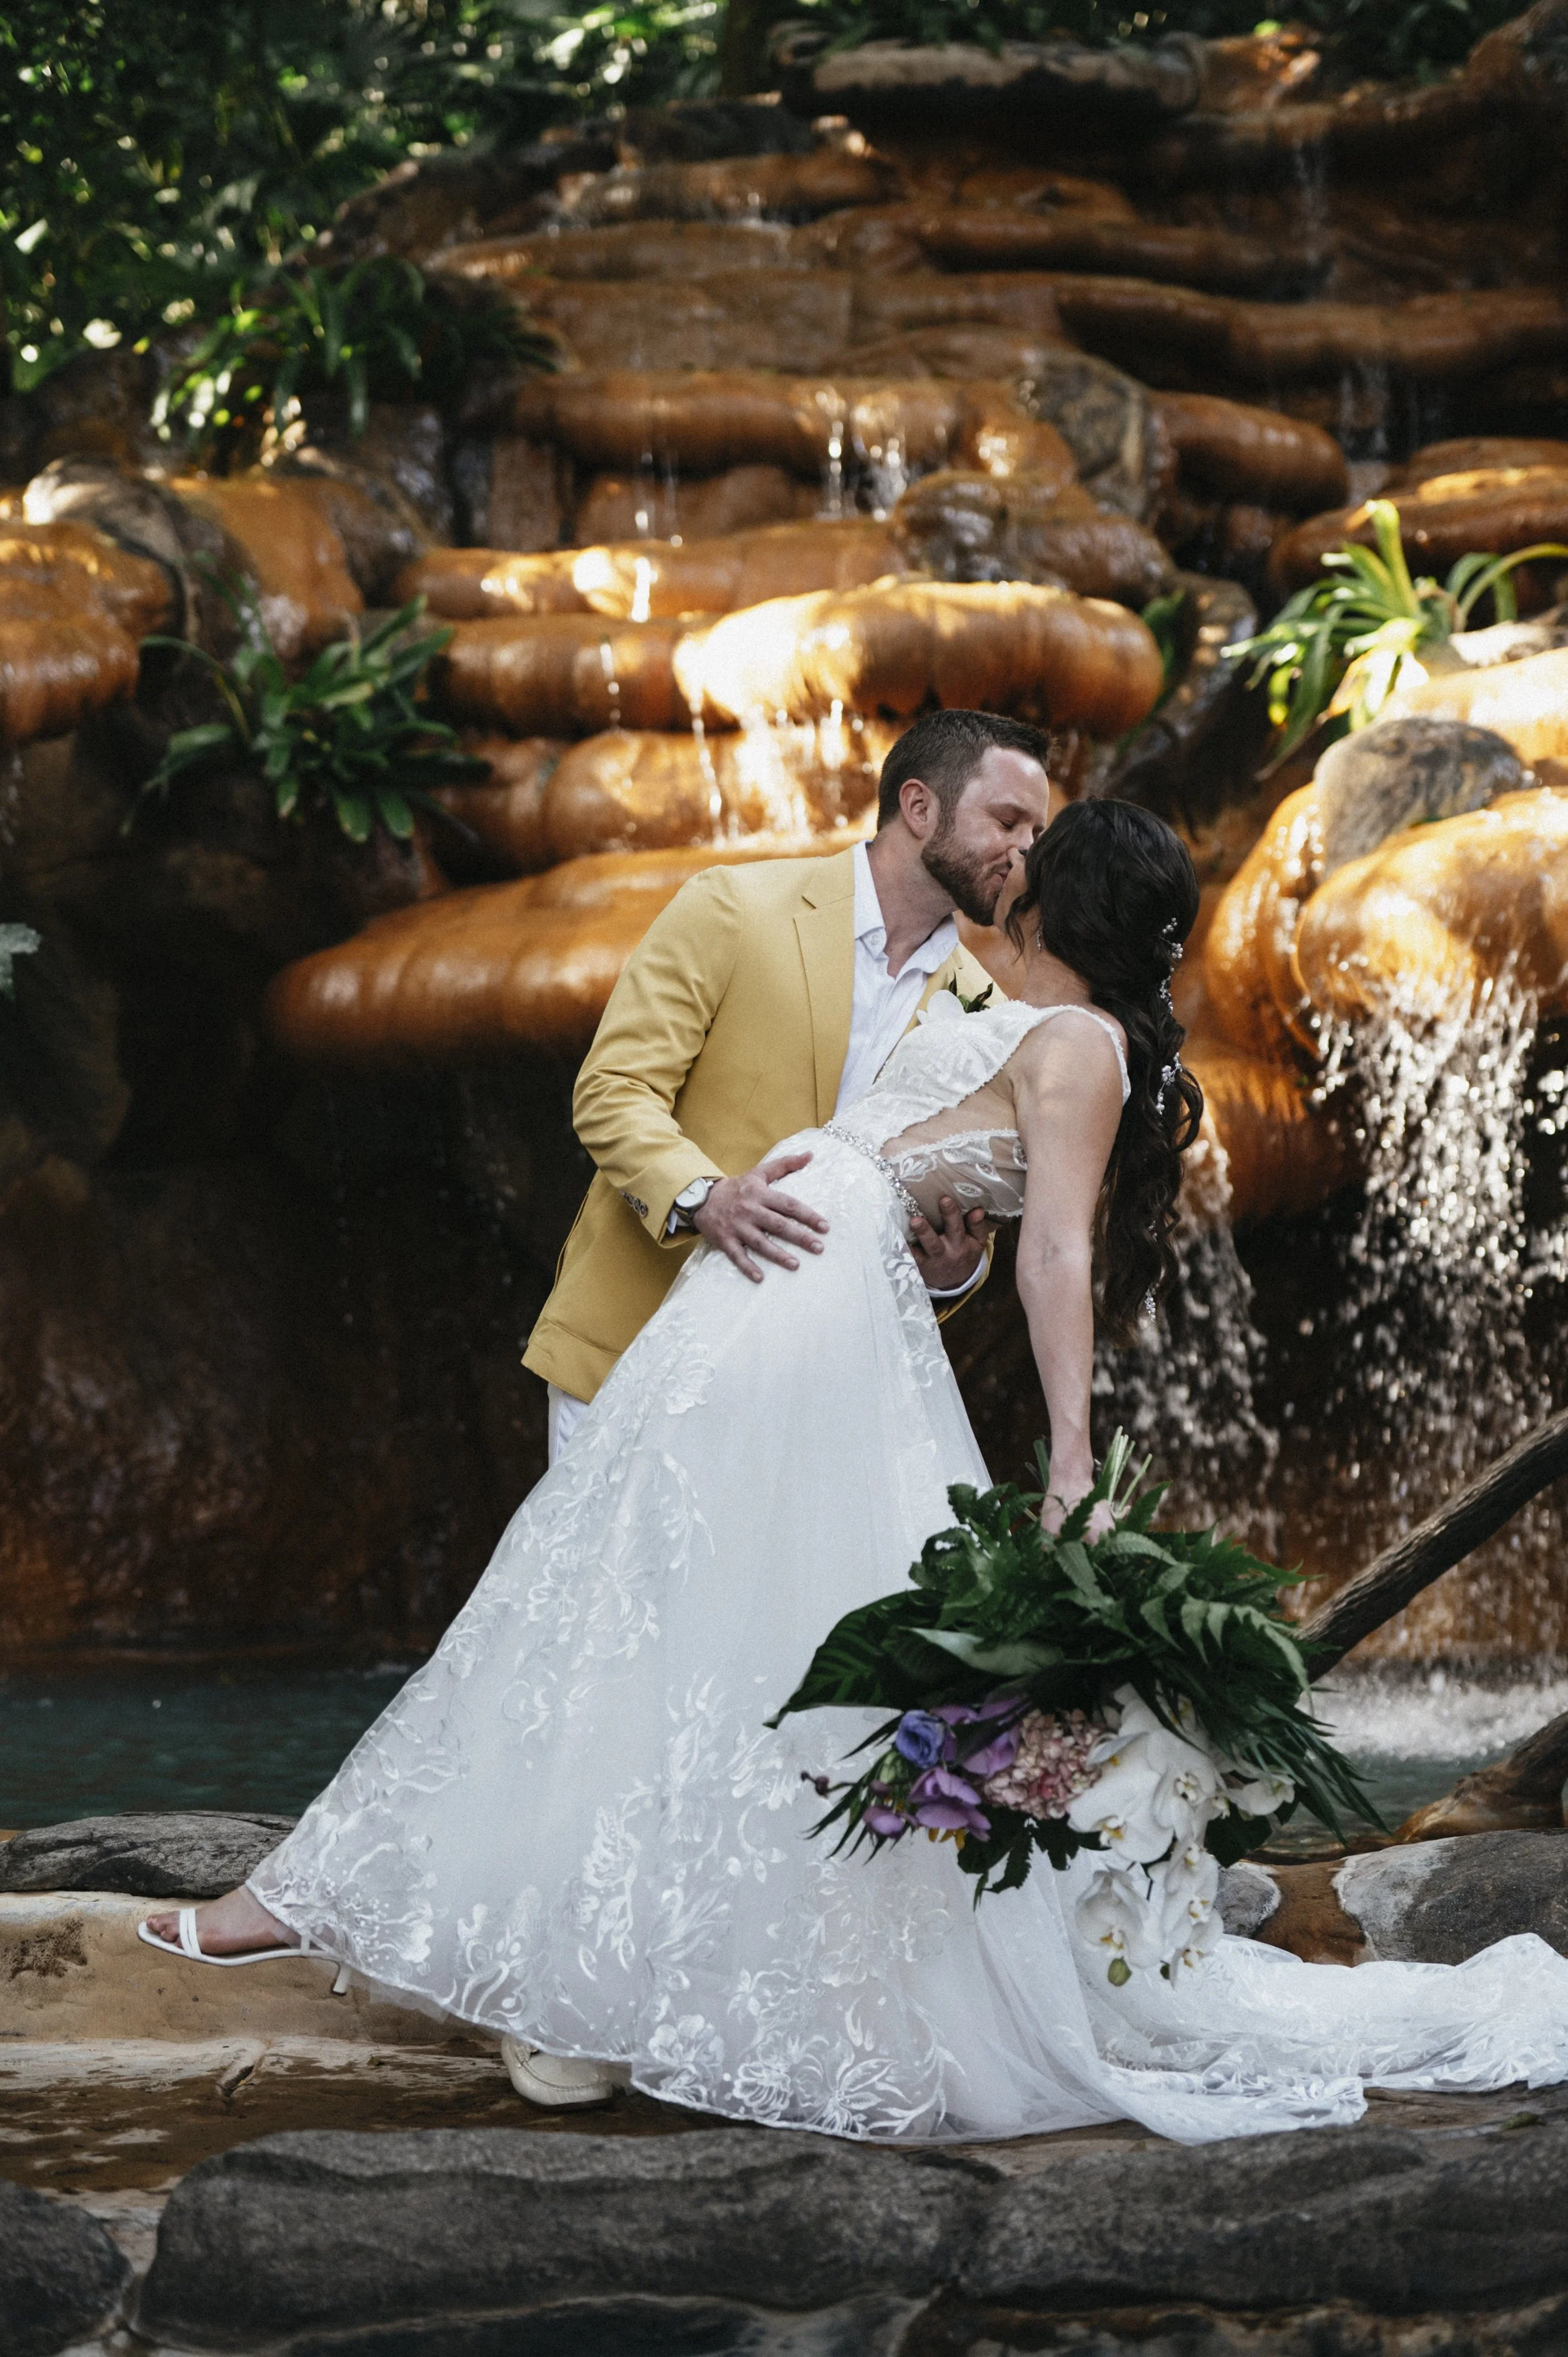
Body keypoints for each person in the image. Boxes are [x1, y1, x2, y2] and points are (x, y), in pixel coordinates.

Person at [143, 793, 1568, 2146]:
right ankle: (520, 1951)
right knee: (685, 1610)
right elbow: (1001, 1213)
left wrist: (1028, 1380)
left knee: (675, 1612)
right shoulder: (1042, 1023)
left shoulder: (1058, 1032)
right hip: (803, 1288)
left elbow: (1020, 1231)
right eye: (1005, 827)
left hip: (798, 1289)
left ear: (1062, 894)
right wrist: (1018, 1357)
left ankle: (513, 1957)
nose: (1007, 859)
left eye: (1031, 846)